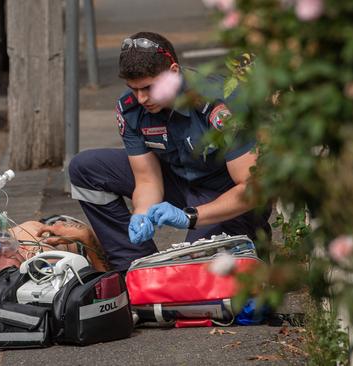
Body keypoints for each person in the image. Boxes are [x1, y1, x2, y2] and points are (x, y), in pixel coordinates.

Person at [68, 31, 271, 272]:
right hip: (179, 182)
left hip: (225, 196)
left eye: (148, 88)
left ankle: (246, 245)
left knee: (196, 273)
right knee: (86, 168)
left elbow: (253, 188)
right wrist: (140, 214)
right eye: (134, 89)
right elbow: (146, 179)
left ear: (173, 73)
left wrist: (190, 217)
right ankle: (136, 269)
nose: (142, 98)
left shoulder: (218, 102)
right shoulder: (130, 108)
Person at [0, 216, 109, 281]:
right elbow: (105, 289)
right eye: (11, 257)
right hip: (67, 232)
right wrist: (86, 237)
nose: (3, 251)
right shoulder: (48, 264)